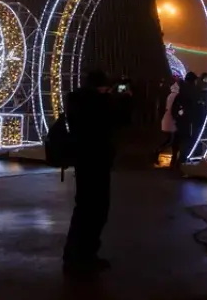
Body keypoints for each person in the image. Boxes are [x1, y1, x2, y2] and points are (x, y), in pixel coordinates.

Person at [62, 70, 129, 274]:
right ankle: (85, 255)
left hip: (83, 160)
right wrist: (123, 99)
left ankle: (74, 253)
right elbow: (119, 120)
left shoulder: (76, 100)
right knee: (96, 210)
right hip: (97, 160)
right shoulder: (99, 103)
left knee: (83, 209)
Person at [156, 80, 181, 165]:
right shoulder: (175, 96)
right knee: (171, 140)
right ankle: (158, 151)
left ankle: (158, 151)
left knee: (170, 139)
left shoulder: (170, 95)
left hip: (168, 119)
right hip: (171, 120)